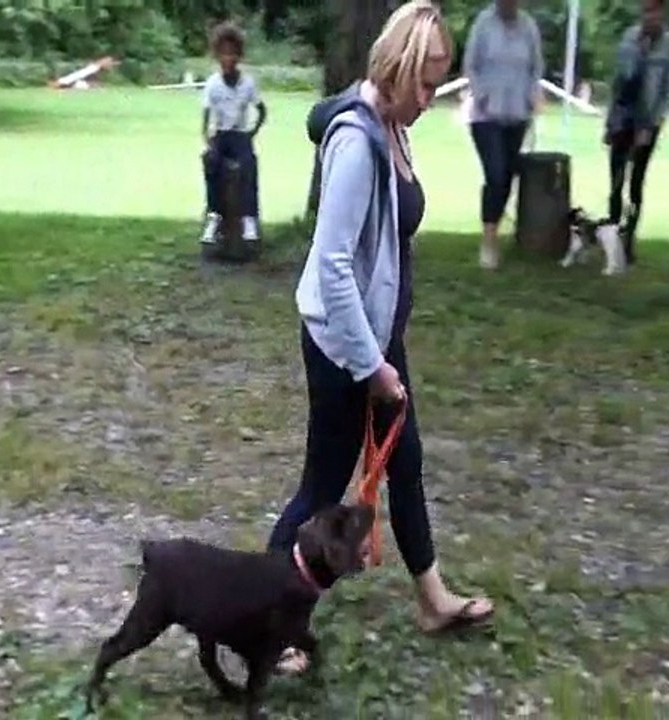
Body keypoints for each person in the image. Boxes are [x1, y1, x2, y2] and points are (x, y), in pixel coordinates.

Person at [267, 0, 494, 673]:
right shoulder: (358, 141)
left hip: (376, 338)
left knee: (408, 462)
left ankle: (431, 598)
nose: (432, 96)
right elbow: (331, 265)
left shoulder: (392, 122)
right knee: (321, 491)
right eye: (425, 82)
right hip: (346, 349)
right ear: (394, 69)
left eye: (437, 81)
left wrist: (384, 351)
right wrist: (371, 366)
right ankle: (264, 616)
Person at [462, 0, 543, 270]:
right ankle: (488, 242)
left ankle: (498, 228)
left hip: (517, 114)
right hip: (485, 116)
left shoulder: (528, 26)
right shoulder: (483, 24)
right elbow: (469, 64)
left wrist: (532, 94)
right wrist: (481, 95)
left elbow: (536, 66)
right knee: (495, 174)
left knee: (507, 177)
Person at [605, 0, 669, 265]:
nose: (651, 17)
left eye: (656, 12)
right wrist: (609, 122)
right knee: (615, 181)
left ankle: (629, 241)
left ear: (662, 14)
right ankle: (611, 240)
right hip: (622, 119)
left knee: (635, 183)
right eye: (647, 11)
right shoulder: (629, 38)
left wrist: (650, 126)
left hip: (648, 120)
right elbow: (618, 82)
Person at [200, 22, 267, 245]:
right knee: (211, 161)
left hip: (240, 134)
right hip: (221, 134)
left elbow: (261, 109)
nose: (228, 59)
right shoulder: (213, 84)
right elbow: (206, 116)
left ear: (239, 55)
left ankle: (249, 218)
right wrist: (207, 139)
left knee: (248, 163)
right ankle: (214, 215)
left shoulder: (247, 83)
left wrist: (252, 132)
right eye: (223, 54)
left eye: (232, 54)